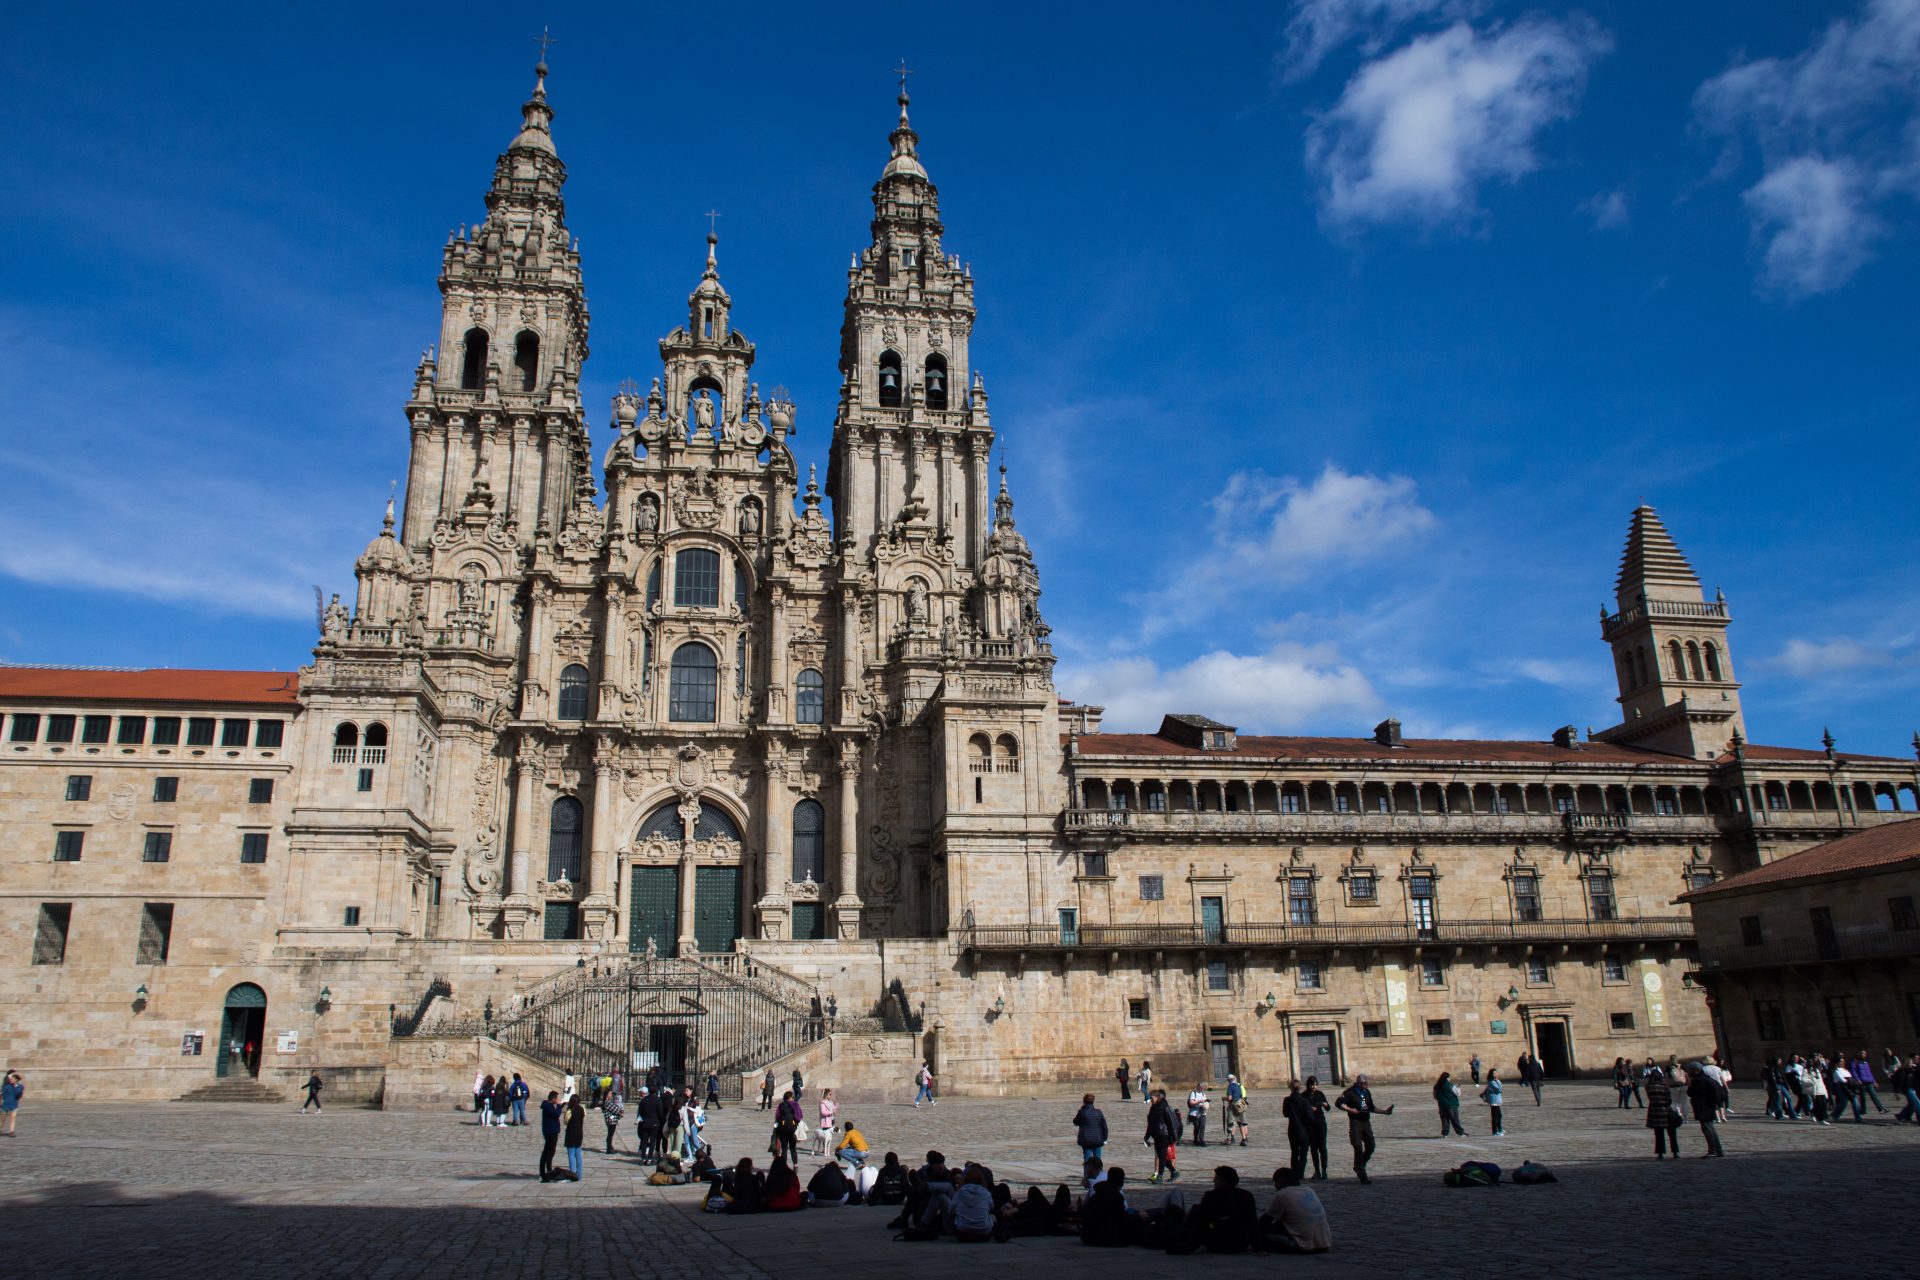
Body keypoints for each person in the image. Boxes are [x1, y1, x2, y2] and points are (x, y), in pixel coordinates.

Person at [1334, 1073, 1394, 1185]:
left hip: (1366, 1122)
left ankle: (1360, 1165)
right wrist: (1350, 1109)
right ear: (1359, 1083)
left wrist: (1385, 1112)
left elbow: (1371, 1107)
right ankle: (1362, 1173)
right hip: (1355, 1122)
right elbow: (1338, 1103)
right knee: (1358, 1146)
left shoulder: (1367, 1092)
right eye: (1365, 1084)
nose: (1367, 1086)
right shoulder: (1349, 1092)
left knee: (1371, 1146)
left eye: (1367, 1084)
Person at [1260, 1167, 1332, 1254]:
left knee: (1261, 1234)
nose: (1275, 1186)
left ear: (1282, 1181)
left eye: (1276, 1182)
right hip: (1323, 1244)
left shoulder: (1283, 1194)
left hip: (1302, 1245)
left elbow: (1265, 1221)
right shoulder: (1309, 1190)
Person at [1686, 1066, 1725, 1158]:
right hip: (1710, 1106)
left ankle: (1712, 1150)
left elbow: (1690, 1092)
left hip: (1703, 1107)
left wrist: (1689, 1084)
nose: (1689, 1072)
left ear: (1696, 1070)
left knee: (1707, 1129)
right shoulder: (1707, 1079)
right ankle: (1718, 1150)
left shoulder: (1698, 1080)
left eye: (1691, 1070)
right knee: (1711, 1128)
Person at [950, 1166, 996, 1242]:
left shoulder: (960, 1193)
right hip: (984, 1235)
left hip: (963, 1234)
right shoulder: (986, 1194)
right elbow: (991, 1208)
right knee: (993, 1217)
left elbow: (951, 1210)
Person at [1300, 1076, 1332, 1179]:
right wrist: (1309, 1109)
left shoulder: (1320, 1094)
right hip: (1310, 1125)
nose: (1314, 1086)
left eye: (1315, 1084)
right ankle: (1317, 1170)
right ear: (1308, 1085)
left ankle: (1324, 1170)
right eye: (1312, 1084)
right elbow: (1301, 1109)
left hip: (1320, 1123)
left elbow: (1328, 1108)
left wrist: (1325, 1104)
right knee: (1313, 1148)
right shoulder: (1303, 1096)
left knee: (1322, 1147)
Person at [1645, 1068, 1681, 1158]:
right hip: (1666, 1110)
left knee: (1658, 1133)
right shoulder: (1664, 1086)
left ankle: (1660, 1153)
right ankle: (1675, 1152)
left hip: (1655, 1111)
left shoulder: (1648, 1087)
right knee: (1672, 1133)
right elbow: (1669, 1099)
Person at [1145, 1088, 1179, 1183]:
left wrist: (1174, 1137)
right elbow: (1150, 1123)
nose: (1150, 1100)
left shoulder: (1165, 1107)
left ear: (1157, 1097)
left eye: (1152, 1098)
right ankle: (1174, 1172)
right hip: (1157, 1135)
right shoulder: (1153, 1108)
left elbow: (1171, 1123)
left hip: (1165, 1134)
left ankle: (1160, 1176)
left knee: (1162, 1156)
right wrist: (1146, 1136)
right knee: (1161, 1156)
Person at [1073, 1092, 1108, 1166]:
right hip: (1098, 1139)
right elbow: (1104, 1126)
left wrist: (1081, 1109)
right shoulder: (1098, 1112)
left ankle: (1088, 1176)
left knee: (1087, 1159)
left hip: (1086, 1139)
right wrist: (1105, 1139)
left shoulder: (1082, 1112)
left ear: (1084, 1101)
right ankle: (1098, 1176)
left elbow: (1076, 1122)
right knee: (1098, 1159)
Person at [1851, 1049, 1887, 1115]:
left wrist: (1874, 1082)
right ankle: (1863, 1110)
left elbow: (1869, 1073)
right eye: (1862, 1053)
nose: (1864, 1055)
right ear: (1858, 1053)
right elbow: (1853, 1071)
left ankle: (1881, 1109)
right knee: (1862, 1097)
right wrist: (1857, 1079)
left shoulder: (1865, 1062)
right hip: (1862, 1082)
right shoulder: (1855, 1062)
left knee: (1873, 1095)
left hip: (1869, 1081)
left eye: (1864, 1053)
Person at [538, 1090, 562, 1180]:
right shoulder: (547, 1106)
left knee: (550, 1152)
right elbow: (556, 1114)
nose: (558, 1100)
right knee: (548, 1152)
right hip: (550, 1132)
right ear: (553, 1099)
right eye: (557, 1098)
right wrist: (559, 1106)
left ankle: (548, 1171)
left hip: (552, 1131)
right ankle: (546, 1171)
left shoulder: (549, 1106)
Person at [773, 1089, 801, 1165]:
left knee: (784, 1148)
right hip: (793, 1129)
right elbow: (799, 1116)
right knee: (793, 1148)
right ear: (791, 1097)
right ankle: (795, 1165)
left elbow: (777, 1116)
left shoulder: (780, 1105)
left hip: (782, 1129)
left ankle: (784, 1166)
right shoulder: (795, 1105)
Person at [1434, 1071, 1465, 1136]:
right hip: (1451, 1105)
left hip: (1442, 1105)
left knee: (1445, 1119)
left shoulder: (1436, 1086)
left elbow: (1435, 1096)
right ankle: (1460, 1132)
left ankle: (1445, 1133)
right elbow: (1458, 1093)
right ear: (1447, 1078)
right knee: (1454, 1120)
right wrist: (1458, 1088)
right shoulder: (1451, 1086)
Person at [563, 1096, 586, 1179]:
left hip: (571, 1134)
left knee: (571, 1155)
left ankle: (572, 1173)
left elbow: (565, 1122)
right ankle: (579, 1174)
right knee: (578, 1154)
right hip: (579, 1134)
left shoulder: (570, 1110)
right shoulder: (582, 1109)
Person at [1225, 1074, 1250, 1146]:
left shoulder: (1230, 1087)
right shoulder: (1239, 1086)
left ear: (1229, 1080)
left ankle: (1229, 1139)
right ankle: (1244, 1139)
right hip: (1240, 1105)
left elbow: (1229, 1098)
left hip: (1233, 1105)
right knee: (1241, 1123)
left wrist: (1224, 1099)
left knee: (1230, 1122)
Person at [814, 1087, 839, 1157]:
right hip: (825, 1121)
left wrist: (836, 1104)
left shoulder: (830, 1102)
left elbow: (834, 1108)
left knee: (829, 1136)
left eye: (831, 1094)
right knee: (826, 1135)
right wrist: (831, 1112)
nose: (831, 1096)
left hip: (831, 1120)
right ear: (826, 1094)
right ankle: (825, 1149)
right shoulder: (822, 1102)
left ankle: (827, 1149)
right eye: (829, 1094)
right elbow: (823, 1112)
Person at [1481, 1067, 1506, 1136]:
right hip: (1494, 1101)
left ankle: (1499, 1128)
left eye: (1496, 1072)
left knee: (1499, 1115)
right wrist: (1498, 1081)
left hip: (1496, 1100)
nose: (1496, 1074)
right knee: (1495, 1116)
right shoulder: (1493, 1082)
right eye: (1494, 1073)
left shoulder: (1494, 1081)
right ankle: (1495, 1131)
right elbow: (1499, 1090)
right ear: (1491, 1075)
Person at [601, 1084, 624, 1153]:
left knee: (611, 1134)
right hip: (611, 1120)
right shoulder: (607, 1102)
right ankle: (609, 1148)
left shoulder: (609, 1101)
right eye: (610, 1093)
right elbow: (615, 1109)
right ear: (607, 1094)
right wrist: (620, 1112)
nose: (611, 1095)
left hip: (612, 1119)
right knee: (610, 1135)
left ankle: (610, 1147)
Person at [1187, 1082, 1211, 1146]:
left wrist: (1206, 1102)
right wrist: (1199, 1101)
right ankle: (1195, 1140)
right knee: (1197, 1126)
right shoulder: (1193, 1093)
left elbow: (1204, 1100)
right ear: (1198, 1087)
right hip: (1194, 1113)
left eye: (1203, 1088)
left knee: (1202, 1126)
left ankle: (1201, 1140)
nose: (1202, 1089)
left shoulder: (1203, 1093)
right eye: (1201, 1088)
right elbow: (1191, 1102)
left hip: (1202, 1112)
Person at [1, 1070, 23, 1136]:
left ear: (16, 1080)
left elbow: (18, 1094)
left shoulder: (20, 1086)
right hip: (5, 1104)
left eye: (12, 1079)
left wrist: (15, 1087)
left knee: (13, 1118)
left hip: (14, 1104)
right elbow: (2, 1095)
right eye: (10, 1079)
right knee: (2, 1119)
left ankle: (11, 1131)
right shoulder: (7, 1086)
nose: (11, 1080)